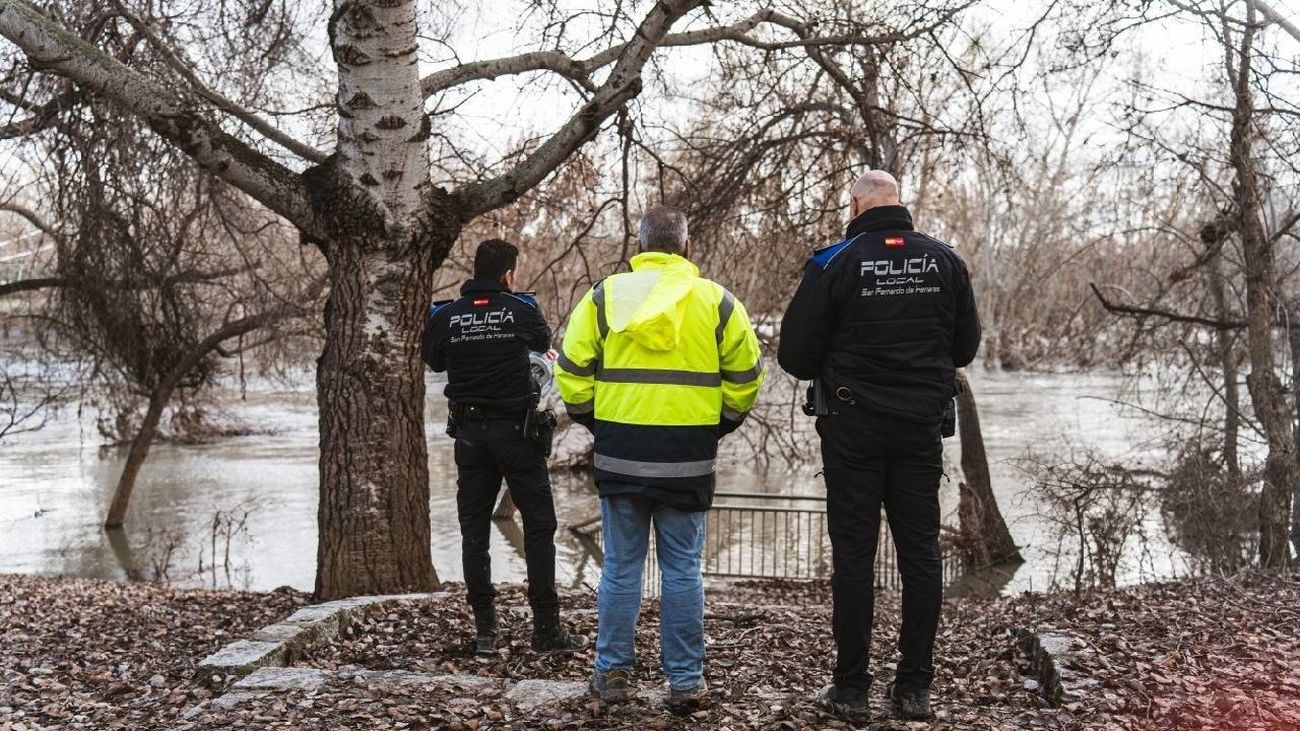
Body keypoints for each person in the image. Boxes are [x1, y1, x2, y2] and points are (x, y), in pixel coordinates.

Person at [778, 171, 981, 722]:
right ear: (899, 203)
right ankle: (914, 688)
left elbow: (795, 356)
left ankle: (851, 690)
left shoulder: (832, 262)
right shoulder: (946, 261)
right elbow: (964, 348)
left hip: (852, 429)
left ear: (855, 205)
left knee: (854, 556)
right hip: (919, 429)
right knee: (920, 556)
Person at [555, 207, 764, 713]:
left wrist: (599, 424)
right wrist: (718, 425)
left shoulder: (604, 297)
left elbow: (571, 372)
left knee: (621, 569)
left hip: (621, 454)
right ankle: (686, 681)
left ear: (641, 246)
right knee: (683, 571)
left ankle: (612, 674)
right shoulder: (716, 302)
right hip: (687, 457)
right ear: (686, 247)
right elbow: (747, 378)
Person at [420, 238, 586, 656]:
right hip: (518, 436)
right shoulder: (523, 309)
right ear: (509, 274)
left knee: (474, 532)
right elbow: (542, 344)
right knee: (540, 528)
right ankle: (546, 629)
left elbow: (434, 360)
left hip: (471, 437)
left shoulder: (447, 315)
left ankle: (486, 632)